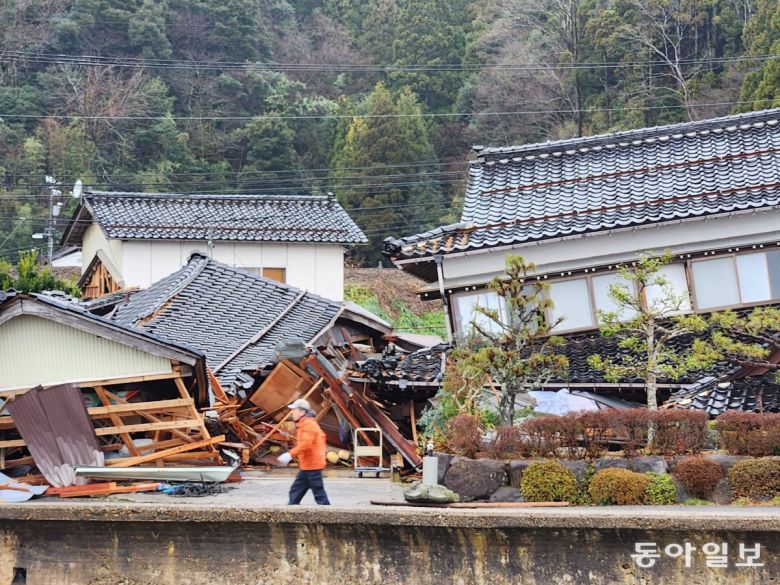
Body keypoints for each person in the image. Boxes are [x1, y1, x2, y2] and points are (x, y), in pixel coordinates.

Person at [277, 398, 331, 505]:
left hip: (312, 465)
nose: (292, 412)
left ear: (302, 412)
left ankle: (329, 515)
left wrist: (290, 454)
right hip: (309, 465)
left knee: (317, 493)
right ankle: (291, 511)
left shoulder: (308, 424)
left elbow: (306, 444)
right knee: (296, 491)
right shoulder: (305, 423)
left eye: (295, 410)